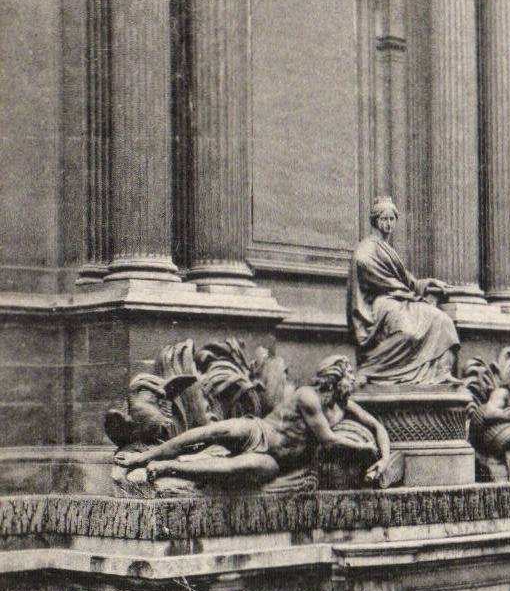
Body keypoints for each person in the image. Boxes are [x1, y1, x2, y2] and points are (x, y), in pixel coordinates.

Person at [114, 355, 393, 489]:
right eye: (350, 378)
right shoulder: (309, 397)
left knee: (231, 468)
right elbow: (329, 441)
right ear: (335, 378)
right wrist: (365, 451)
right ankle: (146, 456)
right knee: (214, 431)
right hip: (261, 433)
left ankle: (168, 467)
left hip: (276, 461)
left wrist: (384, 458)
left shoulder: (345, 407)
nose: (353, 383)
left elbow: (378, 427)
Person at [348, 197, 459, 385]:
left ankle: (442, 371)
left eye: (392, 219)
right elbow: (366, 267)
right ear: (375, 220)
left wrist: (429, 283)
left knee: (444, 320)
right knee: (408, 331)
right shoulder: (366, 247)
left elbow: (407, 281)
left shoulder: (387, 248)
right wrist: (405, 292)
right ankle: (370, 368)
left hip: (400, 298)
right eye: (384, 219)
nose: (388, 223)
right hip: (381, 302)